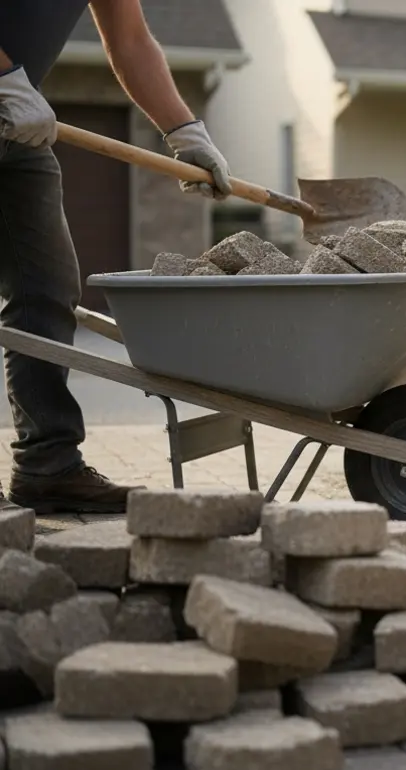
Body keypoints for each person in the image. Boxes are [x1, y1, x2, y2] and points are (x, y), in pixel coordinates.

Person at [0, 0, 232, 513]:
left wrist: (183, 130)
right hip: (9, 95)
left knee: (46, 288)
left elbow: (128, 40)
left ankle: (48, 466)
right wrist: (6, 77)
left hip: (13, 121)